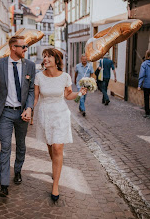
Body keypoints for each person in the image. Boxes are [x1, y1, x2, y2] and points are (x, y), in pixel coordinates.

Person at [0, 36, 35, 197]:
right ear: (13, 48)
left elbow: (31, 90)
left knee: (21, 145)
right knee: (5, 147)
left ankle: (17, 171)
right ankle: (3, 185)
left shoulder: (30, 66)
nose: (25, 49)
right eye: (23, 47)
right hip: (5, 112)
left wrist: (29, 108)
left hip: (22, 112)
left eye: (26, 46)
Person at [34, 48, 87, 203]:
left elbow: (68, 95)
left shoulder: (65, 77)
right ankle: (55, 168)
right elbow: (36, 98)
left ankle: (55, 185)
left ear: (57, 60)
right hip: (45, 115)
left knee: (57, 148)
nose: (45, 59)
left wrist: (80, 93)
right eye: (44, 56)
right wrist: (29, 110)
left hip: (60, 114)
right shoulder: (39, 77)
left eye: (48, 56)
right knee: (50, 146)